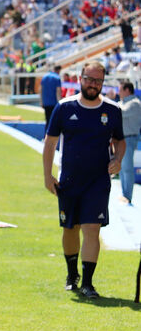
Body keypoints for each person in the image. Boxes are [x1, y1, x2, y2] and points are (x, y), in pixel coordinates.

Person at [43, 61, 126, 299]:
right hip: (69, 180)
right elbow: (50, 143)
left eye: (98, 81)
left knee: (92, 228)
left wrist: (118, 159)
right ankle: (72, 275)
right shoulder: (64, 107)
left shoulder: (112, 110)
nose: (93, 85)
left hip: (98, 181)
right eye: (89, 79)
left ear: (103, 82)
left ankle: (88, 283)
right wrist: (47, 175)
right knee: (71, 228)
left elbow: (120, 141)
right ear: (80, 78)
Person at [119, 81, 140, 204]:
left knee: (127, 168)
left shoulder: (135, 103)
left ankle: (128, 196)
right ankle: (124, 194)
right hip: (121, 138)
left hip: (129, 138)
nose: (119, 93)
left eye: (121, 90)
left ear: (127, 90)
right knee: (121, 168)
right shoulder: (122, 103)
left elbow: (121, 112)